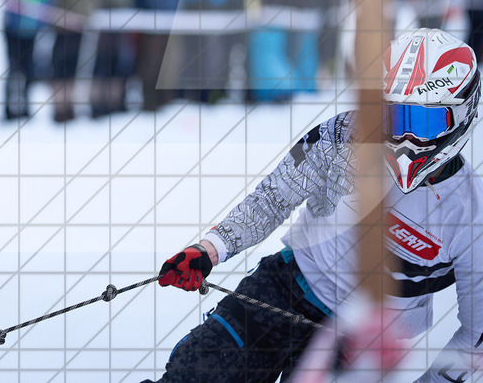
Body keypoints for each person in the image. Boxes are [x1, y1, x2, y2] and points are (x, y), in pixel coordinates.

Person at [146, 27, 483, 383]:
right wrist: (210, 249)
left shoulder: (469, 214)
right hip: (284, 288)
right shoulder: (343, 134)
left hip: (363, 339)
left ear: (462, 114)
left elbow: (476, 337)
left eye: (425, 122)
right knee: (193, 374)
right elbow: (274, 196)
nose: (404, 137)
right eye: (393, 116)